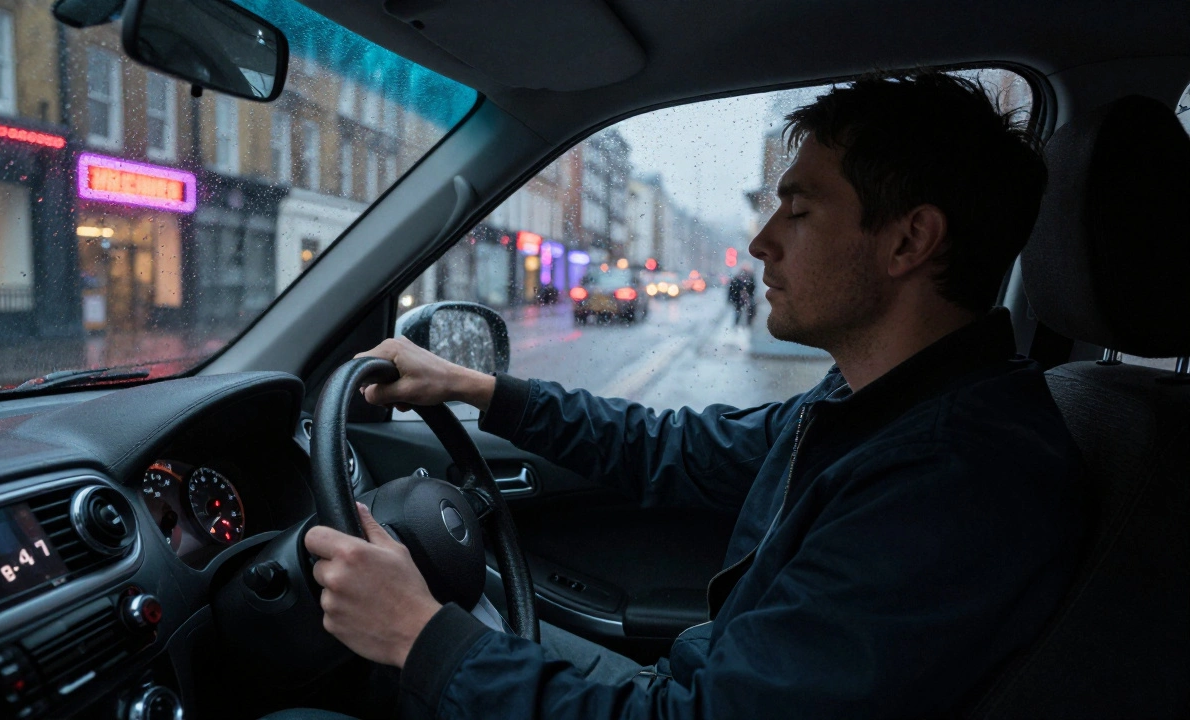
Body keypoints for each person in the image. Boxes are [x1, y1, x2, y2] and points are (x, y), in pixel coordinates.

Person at [280, 72, 1084, 719]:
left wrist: (421, 638)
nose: (763, 241)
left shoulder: (950, 485)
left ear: (910, 240)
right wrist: (475, 387)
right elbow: (676, 449)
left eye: (799, 210)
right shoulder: (886, 405)